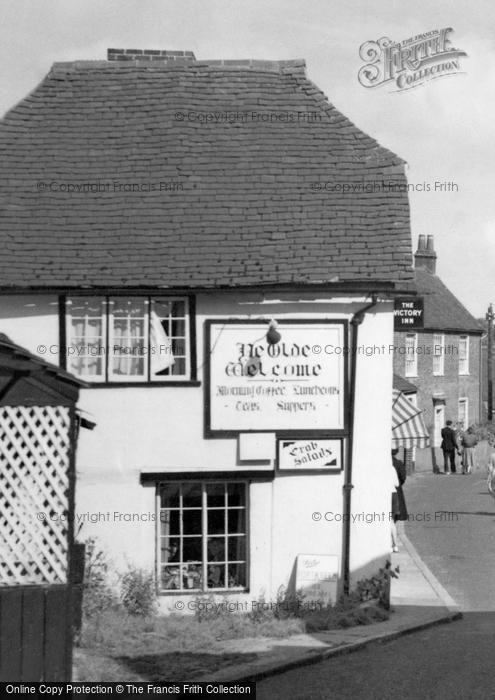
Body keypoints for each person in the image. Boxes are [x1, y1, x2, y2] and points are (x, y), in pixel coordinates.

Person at [390, 449, 408, 552]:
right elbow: (402, 478)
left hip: (387, 492)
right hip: (396, 492)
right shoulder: (398, 463)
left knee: (388, 520)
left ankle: (392, 542)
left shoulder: (383, 463)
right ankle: (394, 542)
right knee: (394, 519)